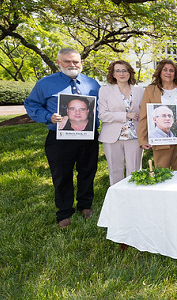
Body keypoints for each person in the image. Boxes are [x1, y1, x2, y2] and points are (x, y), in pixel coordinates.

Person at [24, 48, 100, 228]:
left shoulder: (92, 84)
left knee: (88, 171)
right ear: (59, 63)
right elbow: (31, 104)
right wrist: (48, 117)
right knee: (61, 175)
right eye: (67, 61)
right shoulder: (45, 83)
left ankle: (85, 205)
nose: (72, 65)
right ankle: (64, 211)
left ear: (81, 63)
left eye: (75, 62)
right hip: (59, 138)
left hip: (88, 137)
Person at [138, 59, 177, 170]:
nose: (168, 73)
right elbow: (144, 116)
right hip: (161, 140)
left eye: (171, 70)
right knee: (161, 172)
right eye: (165, 70)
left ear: (175, 73)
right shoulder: (151, 89)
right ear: (160, 72)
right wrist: (142, 139)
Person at [98, 60, 144, 186]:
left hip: (134, 136)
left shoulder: (140, 90)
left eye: (124, 70)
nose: (121, 73)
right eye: (117, 70)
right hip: (112, 136)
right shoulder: (105, 91)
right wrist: (125, 115)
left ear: (130, 73)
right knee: (115, 170)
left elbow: (145, 113)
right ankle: (117, 200)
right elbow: (102, 115)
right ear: (113, 74)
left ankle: (133, 199)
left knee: (135, 171)